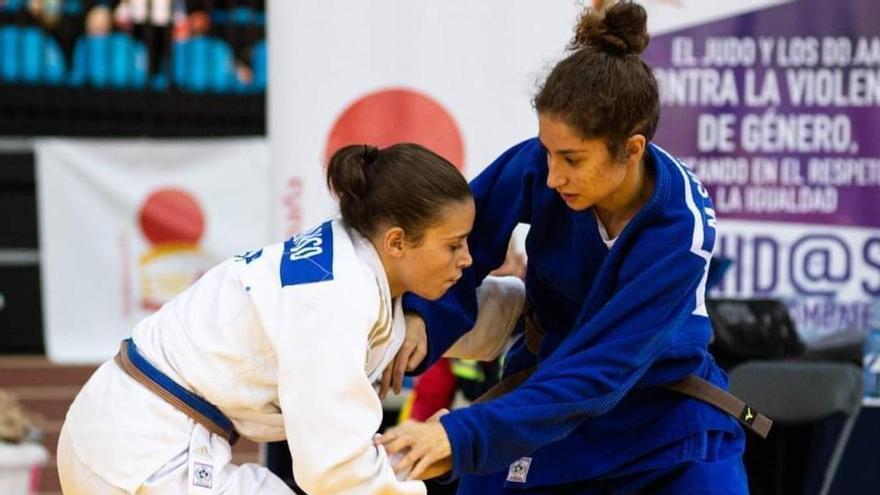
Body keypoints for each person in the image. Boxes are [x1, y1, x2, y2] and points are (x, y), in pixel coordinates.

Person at [377, 2, 750, 494]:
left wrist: (460, 431)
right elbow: (462, 237)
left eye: (571, 159)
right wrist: (426, 312)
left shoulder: (679, 228)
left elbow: (600, 371)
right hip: (541, 391)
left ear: (632, 149)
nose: (553, 175)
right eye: (548, 151)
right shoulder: (542, 166)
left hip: (661, 421)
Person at [57, 142, 483, 495]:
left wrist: (528, 310)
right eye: (453, 245)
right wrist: (430, 457)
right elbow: (335, 472)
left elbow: (485, 312)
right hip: (140, 452)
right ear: (396, 242)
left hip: (121, 429)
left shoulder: (349, 258)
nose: (466, 259)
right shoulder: (334, 301)